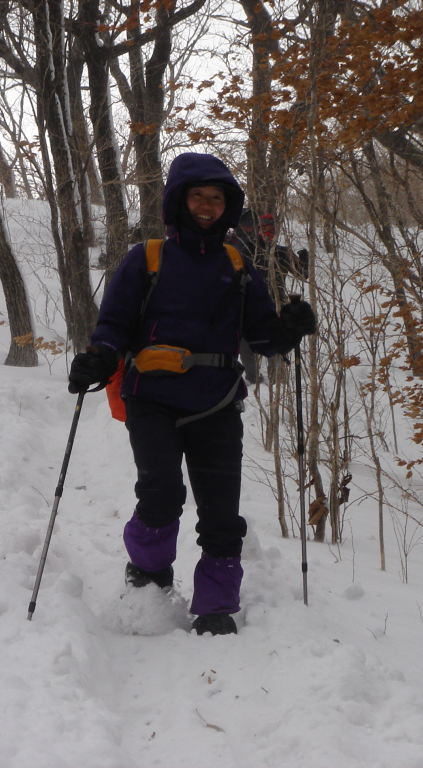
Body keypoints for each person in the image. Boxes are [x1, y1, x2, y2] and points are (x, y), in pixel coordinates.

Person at [67, 153, 316, 636]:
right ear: (179, 200)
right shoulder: (147, 258)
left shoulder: (239, 264)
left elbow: (263, 337)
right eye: (198, 196)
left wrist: (288, 330)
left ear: (228, 207)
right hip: (151, 397)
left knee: (222, 512)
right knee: (161, 494)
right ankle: (149, 571)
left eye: (217, 198)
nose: (206, 205)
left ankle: (216, 606)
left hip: (218, 402)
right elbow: (114, 324)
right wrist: (100, 356)